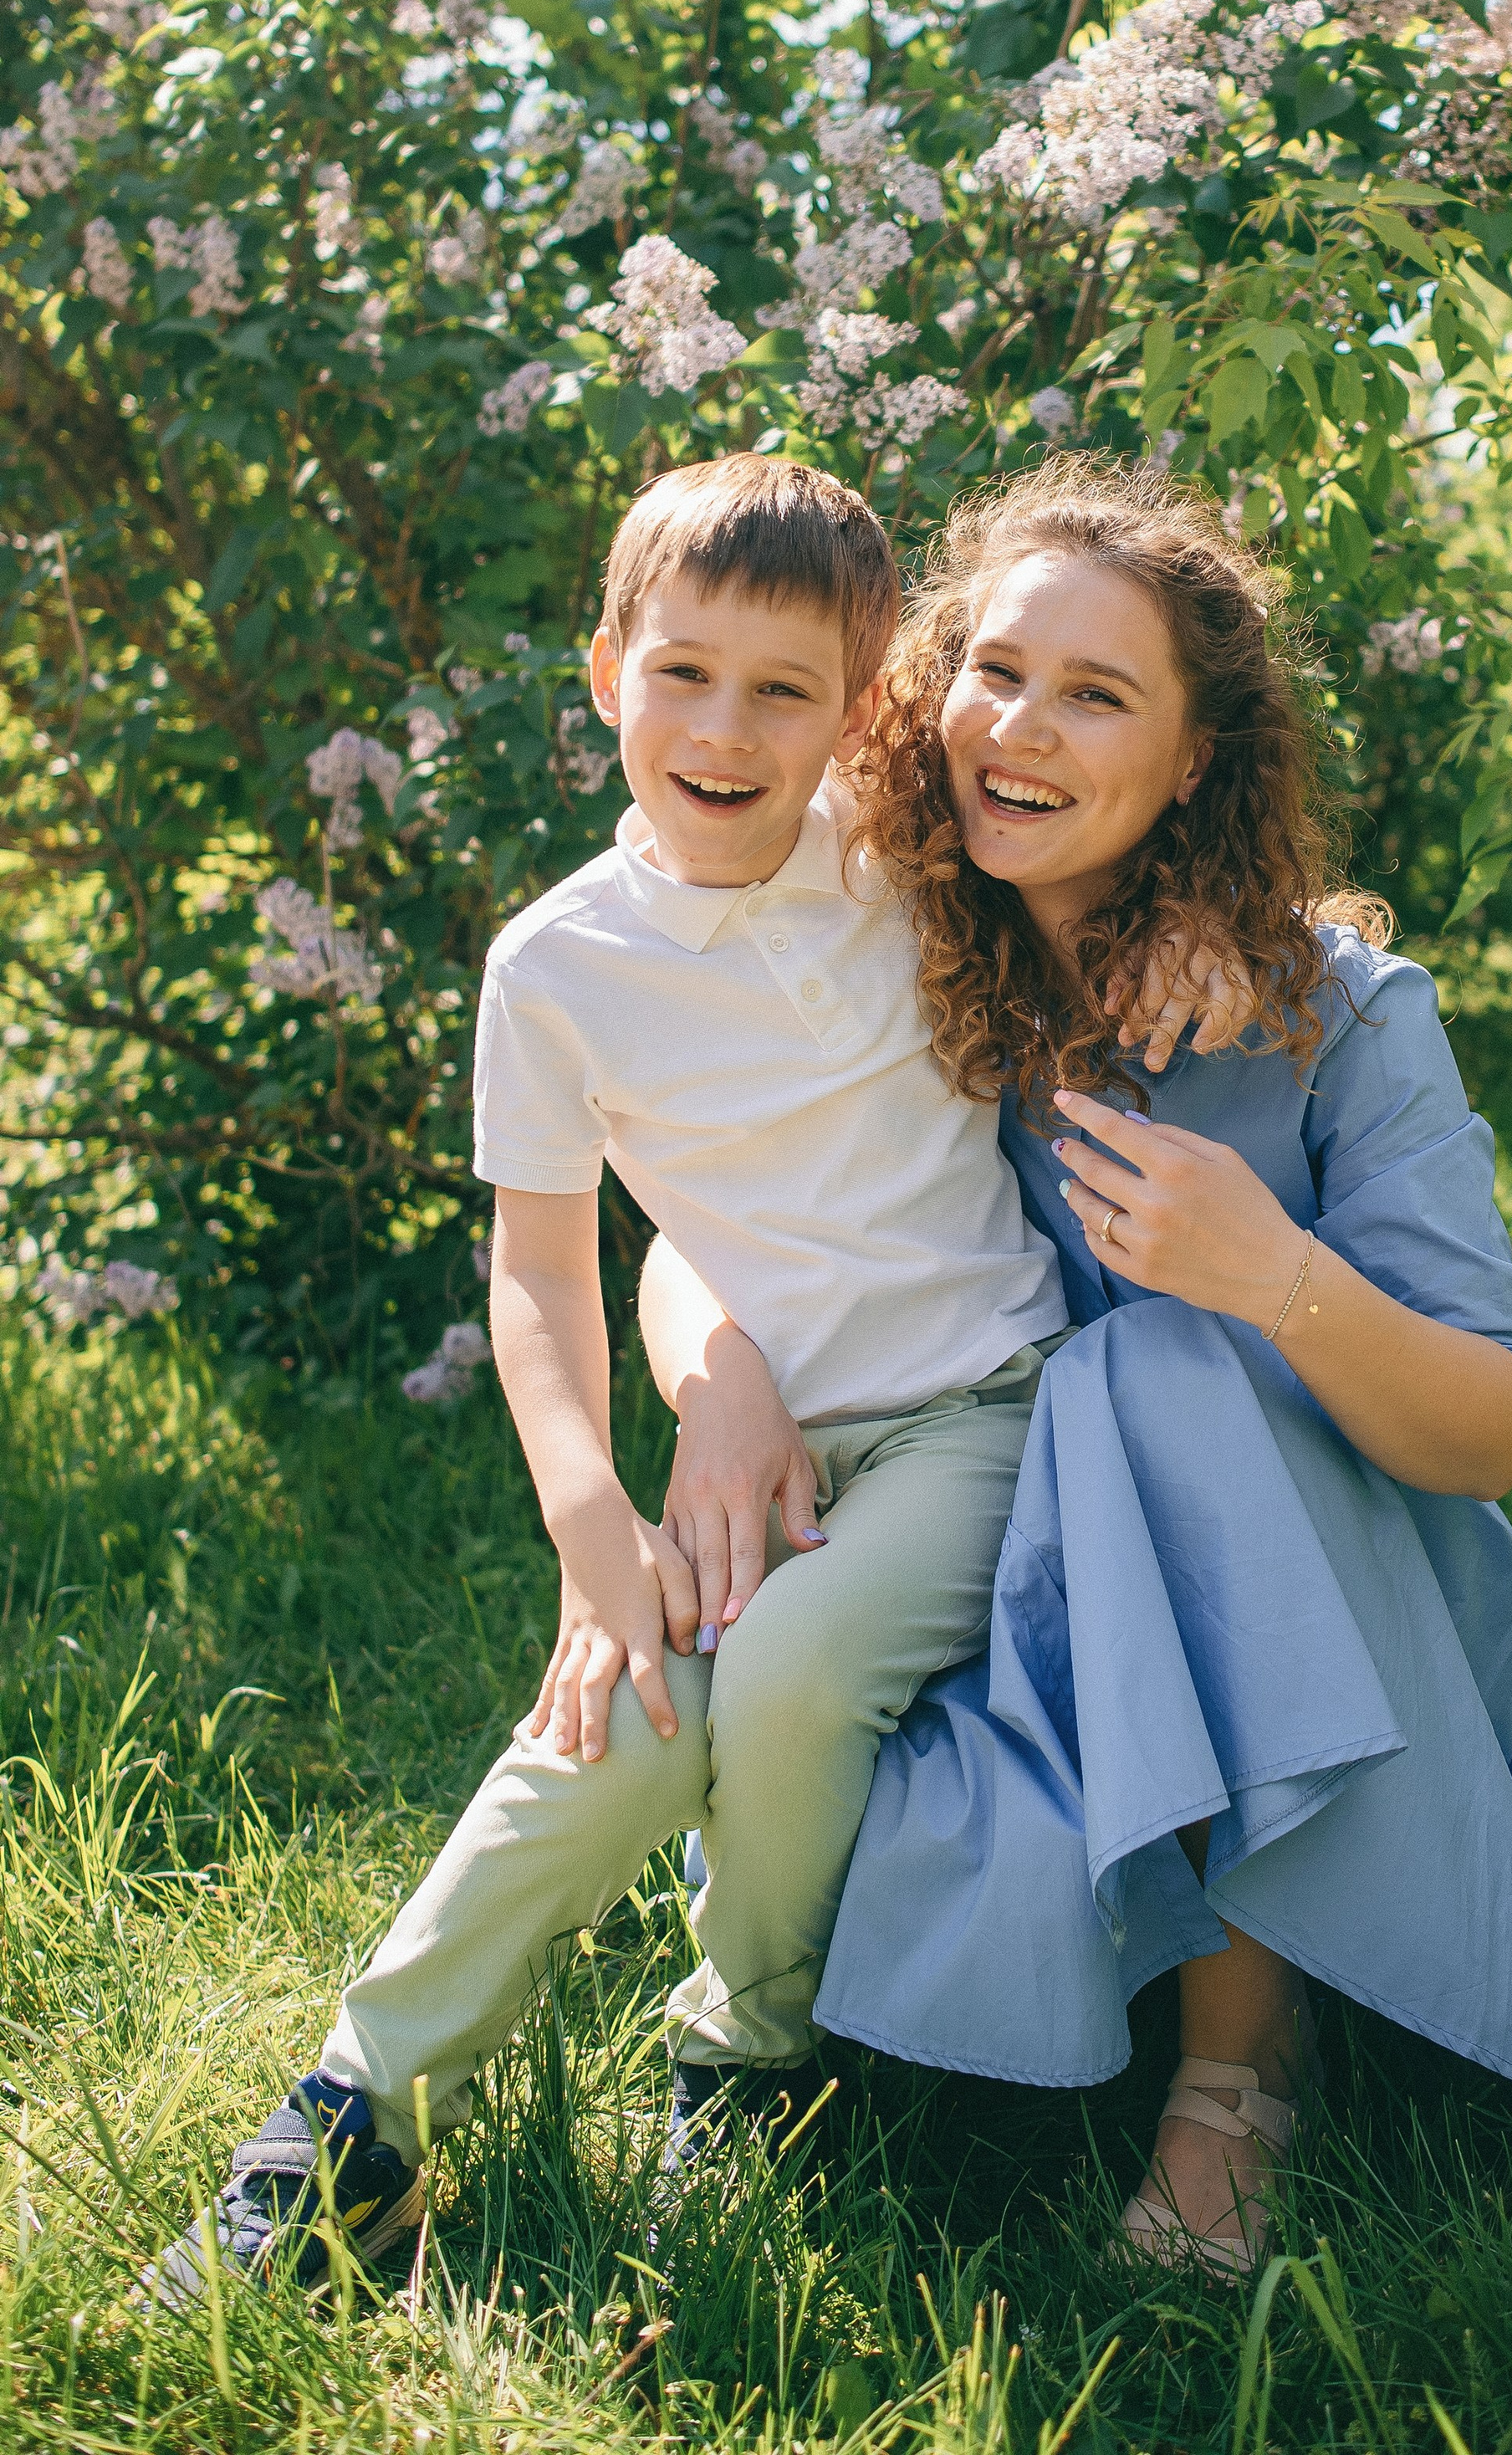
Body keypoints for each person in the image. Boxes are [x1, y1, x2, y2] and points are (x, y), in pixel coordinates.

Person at [641, 456, 1512, 2275]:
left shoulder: (1335, 1018)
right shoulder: (888, 945)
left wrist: (1271, 1277)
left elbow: (1492, 1434)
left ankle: (1233, 2082)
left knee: (1157, 1377)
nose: (1020, 731)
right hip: (1006, 1586)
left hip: (1326, 1610)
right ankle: (808, 2000)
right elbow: (702, 1188)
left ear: (1193, 766)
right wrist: (718, 1365)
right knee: (835, 1629)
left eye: (1096, 696)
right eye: (996, 671)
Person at [151, 453, 1238, 2303]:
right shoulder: (555, 967)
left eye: (783, 689)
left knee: (792, 1675)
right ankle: (352, 2116)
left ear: (863, 689)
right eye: (682, 673)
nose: (724, 731)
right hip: (772, 1453)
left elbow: (1124, 864)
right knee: (619, 1712)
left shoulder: (901, 858)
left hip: (986, 1412)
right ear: (603, 670)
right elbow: (539, 1275)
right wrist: (594, 1526)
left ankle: (746, 2046)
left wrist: (1208, 928)